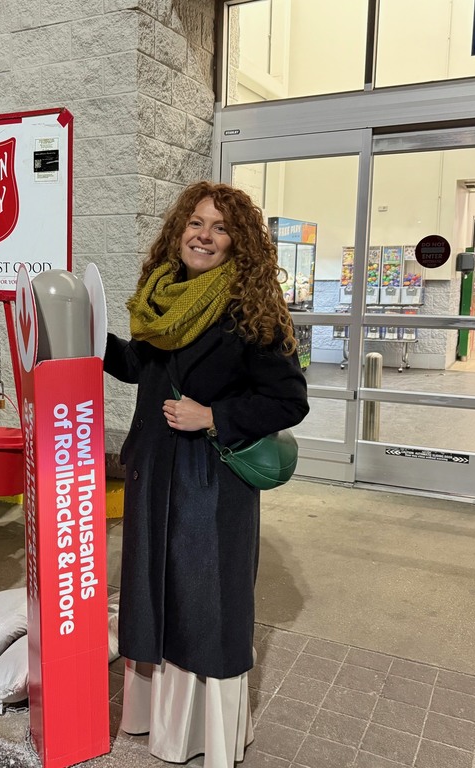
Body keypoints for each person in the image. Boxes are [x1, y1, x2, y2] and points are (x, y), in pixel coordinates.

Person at [104, 181, 309, 766]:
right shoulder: (162, 299)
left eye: (219, 228)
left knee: (205, 603)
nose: (204, 235)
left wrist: (212, 416)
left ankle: (203, 735)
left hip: (211, 484)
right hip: (154, 475)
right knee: (155, 595)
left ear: (237, 243)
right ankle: (153, 719)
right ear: (179, 231)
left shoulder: (250, 311)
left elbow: (289, 400)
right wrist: (88, 337)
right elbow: (141, 366)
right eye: (195, 223)